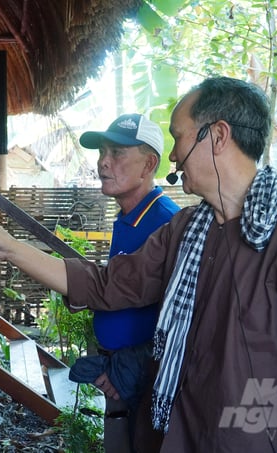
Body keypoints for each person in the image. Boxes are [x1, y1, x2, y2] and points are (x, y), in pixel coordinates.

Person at [0, 76, 277, 452]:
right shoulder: (188, 229)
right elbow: (105, 285)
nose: (174, 155)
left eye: (178, 137)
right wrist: (6, 245)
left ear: (219, 136)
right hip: (174, 433)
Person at [70, 113, 180, 452]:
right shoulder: (128, 217)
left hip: (143, 383)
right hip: (117, 378)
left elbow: (182, 320)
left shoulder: (166, 223)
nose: (103, 162)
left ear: (149, 164)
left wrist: (131, 367)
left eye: (117, 153)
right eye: (102, 152)